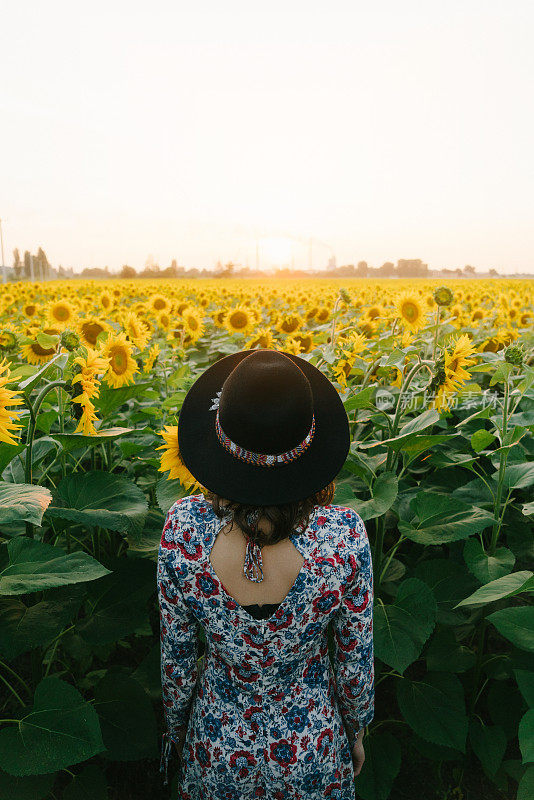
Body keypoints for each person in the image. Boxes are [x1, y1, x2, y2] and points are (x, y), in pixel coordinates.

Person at [158, 348, 374, 799]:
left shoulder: (183, 529)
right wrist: (355, 731)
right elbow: (354, 665)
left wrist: (178, 730)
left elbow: (177, 663)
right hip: (312, 747)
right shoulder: (343, 537)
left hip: (217, 744)